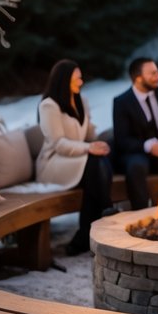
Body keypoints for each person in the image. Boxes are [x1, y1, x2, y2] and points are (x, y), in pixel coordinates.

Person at [36, 58, 113, 255]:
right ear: (64, 80)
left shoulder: (81, 100)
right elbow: (58, 144)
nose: (81, 82)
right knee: (94, 164)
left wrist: (97, 142)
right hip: (54, 163)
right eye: (77, 78)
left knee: (97, 167)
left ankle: (84, 235)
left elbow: (87, 132)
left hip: (77, 160)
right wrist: (88, 148)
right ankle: (106, 209)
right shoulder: (49, 106)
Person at [112, 56, 158, 210]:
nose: (157, 76)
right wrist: (150, 147)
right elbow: (122, 140)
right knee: (136, 167)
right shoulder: (121, 102)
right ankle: (141, 214)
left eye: (157, 72)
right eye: (152, 73)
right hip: (137, 152)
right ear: (138, 78)